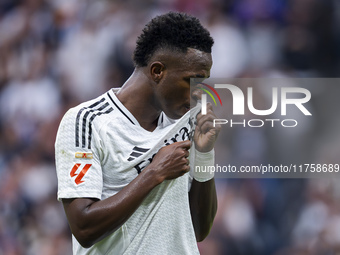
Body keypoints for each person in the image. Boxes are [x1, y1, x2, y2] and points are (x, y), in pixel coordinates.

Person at [55, 11, 220, 254]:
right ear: (157, 71)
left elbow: (199, 229)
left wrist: (204, 154)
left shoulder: (189, 121)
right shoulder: (87, 121)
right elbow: (84, 228)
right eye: (191, 80)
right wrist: (155, 172)